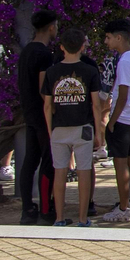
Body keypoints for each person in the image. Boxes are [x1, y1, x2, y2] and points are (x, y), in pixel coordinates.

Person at [41, 28, 107, 227]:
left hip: (59, 127)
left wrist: (50, 128)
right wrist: (98, 131)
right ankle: (82, 218)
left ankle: (59, 218)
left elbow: (47, 105)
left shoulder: (52, 72)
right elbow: (96, 104)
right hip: (84, 128)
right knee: (84, 171)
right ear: (82, 46)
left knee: (59, 172)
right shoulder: (89, 71)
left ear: (61, 47)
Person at [98, 18, 130, 223]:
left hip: (123, 119)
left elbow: (123, 93)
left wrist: (111, 121)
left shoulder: (125, 61)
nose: (106, 42)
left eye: (109, 38)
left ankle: (124, 207)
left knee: (121, 165)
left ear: (120, 37)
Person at [16, 9, 59, 225]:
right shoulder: (43, 54)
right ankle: (45, 209)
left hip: (29, 112)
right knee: (48, 161)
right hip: (42, 115)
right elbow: (44, 89)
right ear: (51, 27)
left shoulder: (26, 52)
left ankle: (27, 209)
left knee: (29, 161)